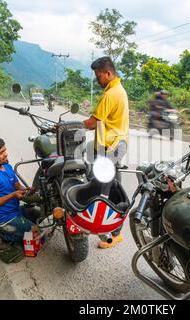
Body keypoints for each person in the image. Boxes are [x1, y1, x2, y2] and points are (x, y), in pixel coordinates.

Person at [82, 56, 129, 249]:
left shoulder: (111, 94)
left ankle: (109, 235)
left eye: (98, 75)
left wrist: (69, 126)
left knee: (103, 191)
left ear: (108, 73)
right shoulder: (118, 90)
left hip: (110, 148)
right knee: (113, 188)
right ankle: (114, 231)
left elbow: (92, 123)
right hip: (117, 144)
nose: (97, 80)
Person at [0, 136, 37, 257]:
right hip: (2, 219)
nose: (5, 154)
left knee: (38, 214)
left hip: (14, 211)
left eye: (5, 150)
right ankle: (0, 235)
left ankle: (10, 232)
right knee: (37, 235)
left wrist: (26, 190)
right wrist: (13, 195)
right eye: (1, 153)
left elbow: (16, 186)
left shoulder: (7, 166)